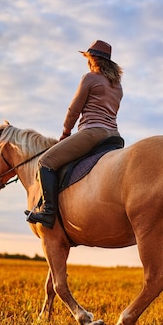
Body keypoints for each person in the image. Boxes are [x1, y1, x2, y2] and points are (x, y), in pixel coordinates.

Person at [26, 39, 124, 229]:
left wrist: (65, 132)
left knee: (45, 162)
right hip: (114, 136)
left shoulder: (90, 78)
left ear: (92, 59)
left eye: (88, 58)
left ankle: (48, 211)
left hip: (92, 132)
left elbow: (74, 109)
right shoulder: (117, 86)